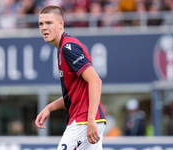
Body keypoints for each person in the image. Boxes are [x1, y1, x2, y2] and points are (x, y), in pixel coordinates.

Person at [35, 5, 106, 150]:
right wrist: (50, 107)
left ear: (61, 24)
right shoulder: (63, 48)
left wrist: (90, 119)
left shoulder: (68, 48)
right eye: (41, 24)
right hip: (87, 119)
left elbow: (95, 81)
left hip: (83, 120)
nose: (44, 28)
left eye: (49, 23)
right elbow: (75, 94)